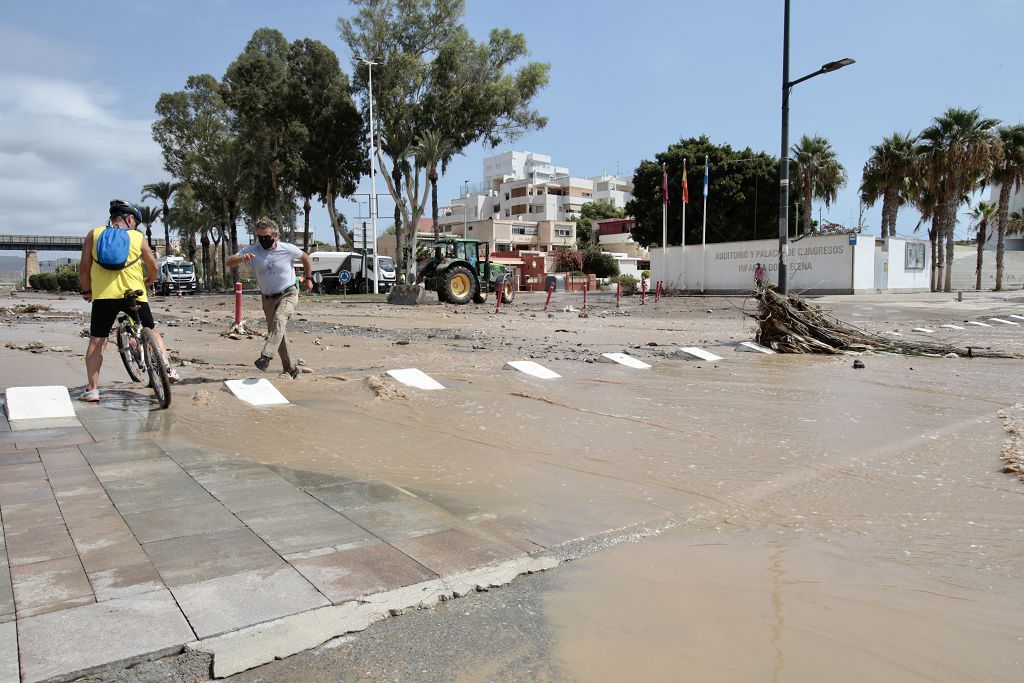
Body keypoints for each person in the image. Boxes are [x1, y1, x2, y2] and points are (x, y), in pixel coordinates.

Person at [78, 200, 180, 402]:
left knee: (98, 341)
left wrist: (87, 290)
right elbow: (152, 265)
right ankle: (167, 369)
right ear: (130, 219)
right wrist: (149, 280)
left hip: (104, 296)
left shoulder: (94, 234)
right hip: (134, 294)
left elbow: (84, 267)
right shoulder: (137, 237)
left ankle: (93, 390)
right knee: (151, 330)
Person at [227, 217, 312, 379]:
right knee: (277, 332)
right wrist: (240, 259)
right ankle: (290, 369)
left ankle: (266, 356)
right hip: (268, 299)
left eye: (267, 237)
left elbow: (305, 257)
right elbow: (229, 262)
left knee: (279, 321)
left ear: (275, 236)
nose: (263, 240)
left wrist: (308, 279)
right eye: (260, 237)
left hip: (288, 293)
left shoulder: (287, 249)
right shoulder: (252, 251)